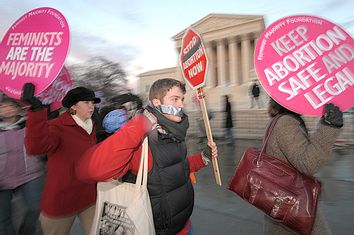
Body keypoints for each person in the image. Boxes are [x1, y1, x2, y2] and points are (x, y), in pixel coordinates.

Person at [77, 78, 218, 235]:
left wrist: (203, 158)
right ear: (157, 103)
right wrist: (138, 126)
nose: (181, 105)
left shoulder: (174, 133)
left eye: (182, 99)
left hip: (185, 225)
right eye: (175, 99)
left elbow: (175, 168)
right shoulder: (142, 142)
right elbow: (89, 170)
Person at [21, 83, 101, 235]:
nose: (91, 107)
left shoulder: (93, 125)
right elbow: (35, 148)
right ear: (73, 106)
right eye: (86, 102)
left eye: (93, 103)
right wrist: (37, 112)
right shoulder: (58, 126)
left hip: (89, 196)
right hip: (62, 198)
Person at [264, 98, 343, 235]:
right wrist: (329, 127)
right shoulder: (285, 123)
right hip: (294, 208)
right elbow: (307, 163)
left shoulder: (280, 120)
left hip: (285, 204)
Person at [0, 96, 46, 235]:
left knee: (35, 208)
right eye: (3, 106)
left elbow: (41, 139)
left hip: (29, 174)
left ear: (18, 108)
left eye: (11, 106)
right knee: (3, 219)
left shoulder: (28, 125)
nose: (7, 109)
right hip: (2, 178)